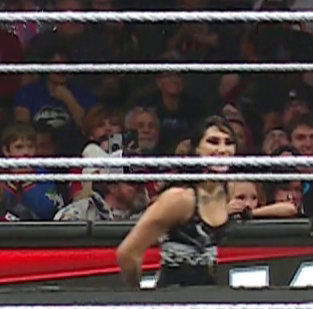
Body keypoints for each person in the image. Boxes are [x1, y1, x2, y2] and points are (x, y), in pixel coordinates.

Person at [116, 117, 297, 288]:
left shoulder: (227, 190)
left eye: (228, 143)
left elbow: (289, 209)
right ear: (197, 149)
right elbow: (128, 252)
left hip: (207, 294)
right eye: (213, 142)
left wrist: (248, 212)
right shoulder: (180, 198)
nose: (222, 149)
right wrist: (140, 298)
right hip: (173, 297)